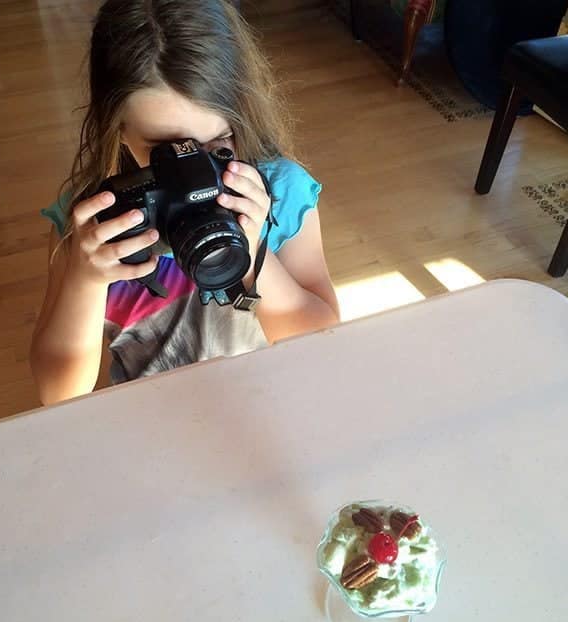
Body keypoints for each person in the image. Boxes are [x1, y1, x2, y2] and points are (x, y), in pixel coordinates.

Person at [30, 0, 340, 405]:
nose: (196, 168)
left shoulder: (279, 196)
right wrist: (84, 280)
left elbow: (324, 341)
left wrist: (255, 251)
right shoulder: (94, 223)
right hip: (153, 422)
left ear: (240, 113)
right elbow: (59, 394)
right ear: (118, 131)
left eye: (219, 143)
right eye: (165, 151)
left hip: (271, 406)